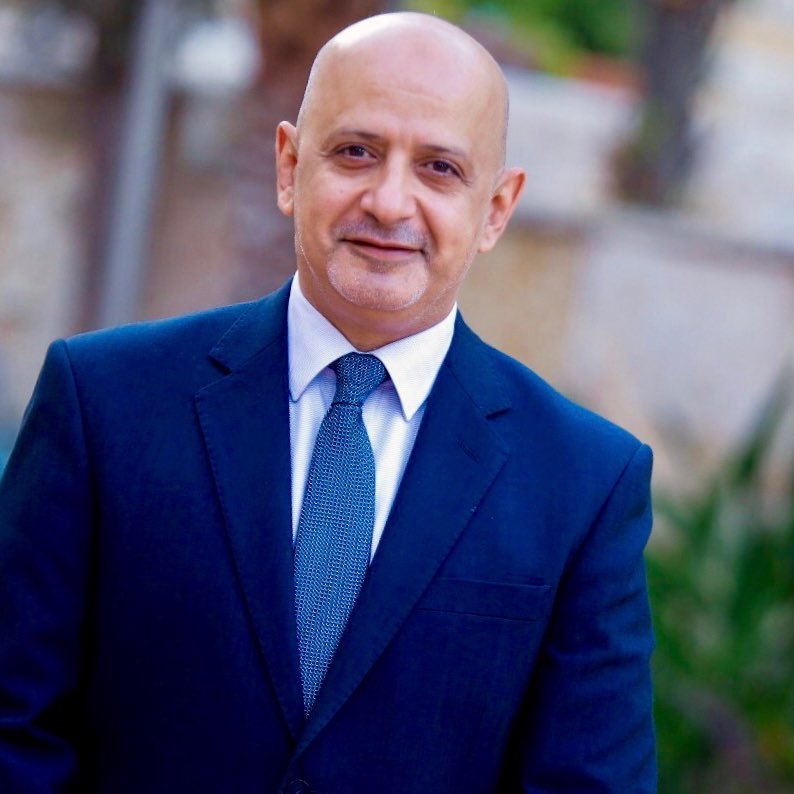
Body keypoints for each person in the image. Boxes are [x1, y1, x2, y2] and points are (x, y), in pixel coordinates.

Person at [0, 12, 656, 794]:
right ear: (288, 166)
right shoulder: (102, 404)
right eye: (356, 152)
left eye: (439, 168)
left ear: (496, 209)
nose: (389, 202)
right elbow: (13, 728)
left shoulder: (585, 485)